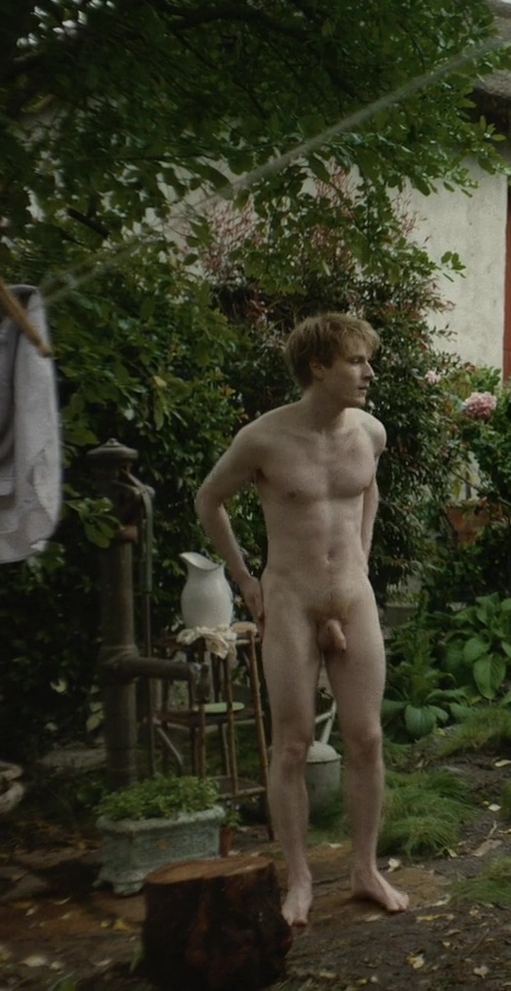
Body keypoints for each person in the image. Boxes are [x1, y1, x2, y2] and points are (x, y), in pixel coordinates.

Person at [196, 313, 409, 927]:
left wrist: (362, 554)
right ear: (318, 367)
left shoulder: (371, 433)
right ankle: (300, 880)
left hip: (354, 598)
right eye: (356, 361)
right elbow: (209, 500)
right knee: (291, 745)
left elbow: (367, 491)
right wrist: (244, 579)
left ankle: (365, 869)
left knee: (366, 739)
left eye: (368, 361)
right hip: (289, 600)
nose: (369, 373)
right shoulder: (263, 439)